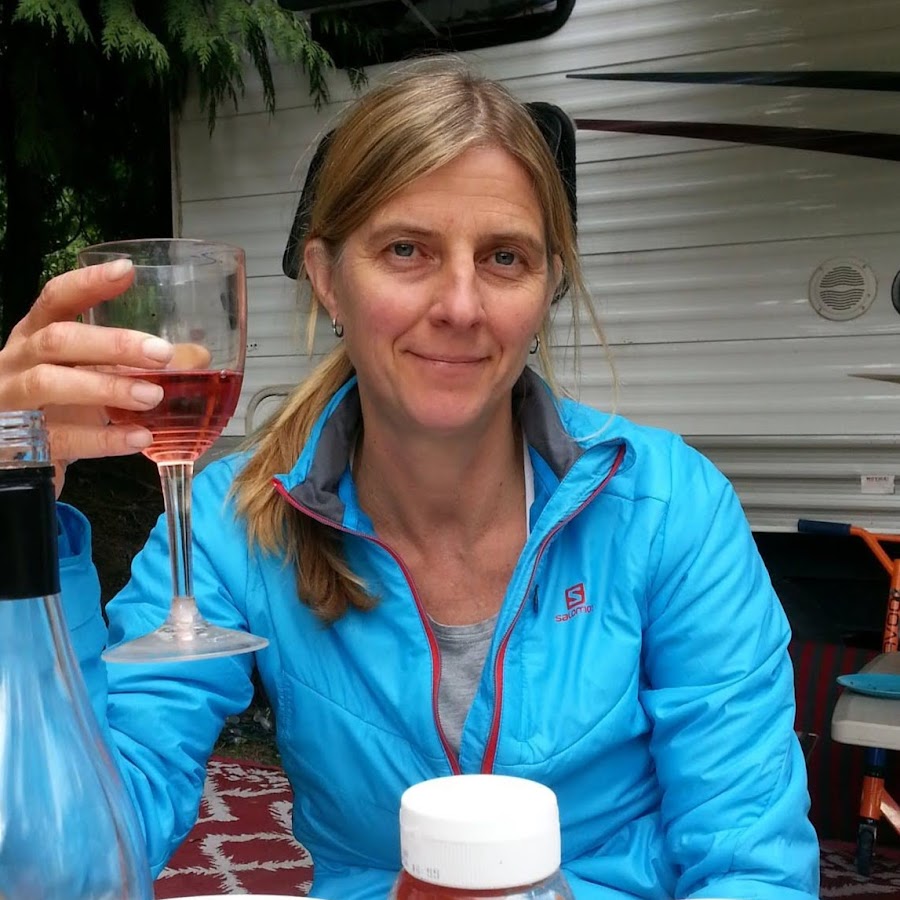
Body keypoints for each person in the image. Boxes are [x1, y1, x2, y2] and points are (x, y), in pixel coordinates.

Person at [0, 61, 819, 899]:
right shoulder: (233, 521)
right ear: (327, 278)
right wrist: (16, 500)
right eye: (406, 250)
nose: (460, 305)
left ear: (546, 289)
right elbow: (70, 864)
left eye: (504, 257)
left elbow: (753, 866)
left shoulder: (667, 508)